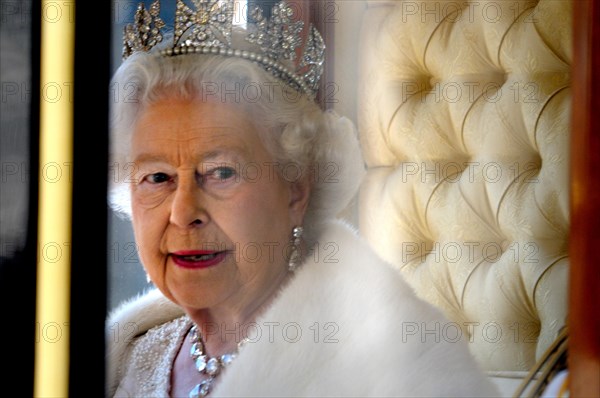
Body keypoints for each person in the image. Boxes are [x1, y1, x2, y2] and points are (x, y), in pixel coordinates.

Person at [106, 1, 499, 397]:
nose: (183, 212)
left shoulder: (392, 359)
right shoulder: (128, 357)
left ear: (296, 188)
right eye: (157, 178)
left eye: (222, 172)